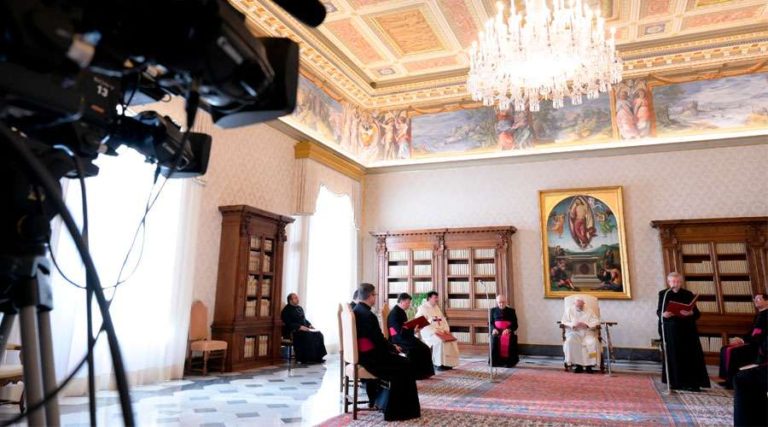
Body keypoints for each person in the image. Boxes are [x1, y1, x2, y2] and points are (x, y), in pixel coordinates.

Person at [353, 283, 420, 421]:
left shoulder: (357, 310)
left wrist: (389, 347)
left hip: (364, 355)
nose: (375, 298)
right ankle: (399, 410)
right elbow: (378, 340)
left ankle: (383, 402)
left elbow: (376, 339)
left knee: (402, 362)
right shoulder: (368, 315)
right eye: (375, 295)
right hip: (372, 358)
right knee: (406, 364)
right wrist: (392, 348)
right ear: (370, 295)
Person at [657, 272, 710, 391]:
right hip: (671, 330)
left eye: (677, 281)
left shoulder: (688, 294)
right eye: (672, 281)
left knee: (690, 355)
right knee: (674, 355)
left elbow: (696, 313)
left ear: (681, 282)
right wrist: (663, 314)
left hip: (687, 329)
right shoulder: (664, 294)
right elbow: (659, 311)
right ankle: (676, 382)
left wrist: (690, 313)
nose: (675, 284)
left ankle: (692, 383)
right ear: (668, 282)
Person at [718, 293, 768, 389]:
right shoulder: (758, 315)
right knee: (725, 348)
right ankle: (726, 379)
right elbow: (752, 332)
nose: (756, 301)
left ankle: (733, 381)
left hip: (760, 345)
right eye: (755, 299)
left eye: (759, 299)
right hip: (752, 342)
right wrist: (741, 339)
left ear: (767, 301)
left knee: (734, 352)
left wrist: (745, 341)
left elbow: (761, 334)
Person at [387, 293, 434, 379]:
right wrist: (413, 330)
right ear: (402, 302)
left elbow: (404, 327)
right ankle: (416, 374)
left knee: (425, 348)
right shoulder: (395, 313)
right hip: (398, 339)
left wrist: (414, 329)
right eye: (408, 303)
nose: (409, 305)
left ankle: (423, 373)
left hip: (405, 337)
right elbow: (396, 332)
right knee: (419, 349)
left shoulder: (400, 311)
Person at [415, 291, 460, 370]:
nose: (437, 299)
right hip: (429, 333)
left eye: (437, 298)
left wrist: (446, 329)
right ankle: (438, 364)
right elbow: (421, 323)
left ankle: (447, 364)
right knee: (440, 341)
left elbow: (443, 319)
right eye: (435, 298)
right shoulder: (422, 308)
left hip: (441, 331)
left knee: (451, 340)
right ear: (429, 298)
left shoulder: (436, 307)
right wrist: (434, 331)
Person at [280, 293, 327, 364]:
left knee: (319, 334)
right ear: (290, 300)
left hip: (304, 329)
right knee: (307, 335)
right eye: (295, 298)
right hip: (294, 331)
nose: (297, 299)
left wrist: (310, 325)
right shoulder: (286, 310)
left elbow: (304, 319)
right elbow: (288, 323)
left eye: (297, 297)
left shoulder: (299, 308)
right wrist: (299, 327)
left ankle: (317, 357)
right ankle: (306, 358)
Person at [561, 297, 600, 373]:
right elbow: (564, 321)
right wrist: (572, 324)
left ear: (584, 304)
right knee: (570, 342)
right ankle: (578, 365)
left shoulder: (589, 311)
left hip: (587, 333)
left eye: (581, 306)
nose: (580, 307)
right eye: (578, 306)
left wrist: (587, 325)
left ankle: (590, 365)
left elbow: (596, 321)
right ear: (574, 304)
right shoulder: (569, 310)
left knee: (592, 343)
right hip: (574, 333)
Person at [490, 295, 519, 367]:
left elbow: (515, 324)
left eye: (503, 302)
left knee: (509, 340)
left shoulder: (512, 311)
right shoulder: (492, 310)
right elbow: (490, 323)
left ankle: (508, 363)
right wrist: (493, 329)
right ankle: (495, 362)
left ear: (506, 302)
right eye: (499, 302)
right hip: (496, 331)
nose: (501, 304)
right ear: (497, 302)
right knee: (494, 339)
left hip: (507, 332)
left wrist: (508, 329)